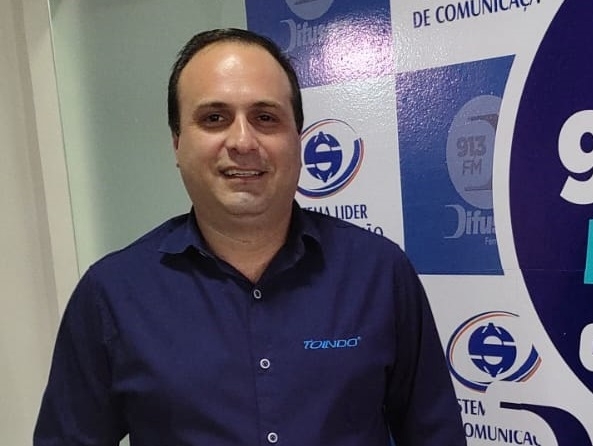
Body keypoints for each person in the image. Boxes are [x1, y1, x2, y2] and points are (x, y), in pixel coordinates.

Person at [34, 28, 465, 445]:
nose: (242, 141)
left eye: (265, 117)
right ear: (177, 143)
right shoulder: (112, 294)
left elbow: (434, 434)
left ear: (297, 140)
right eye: (214, 118)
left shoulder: (379, 273)